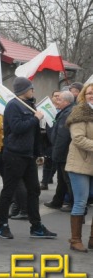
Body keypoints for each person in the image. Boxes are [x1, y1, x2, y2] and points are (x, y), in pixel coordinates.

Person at [0, 77, 57, 239]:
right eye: (31, 88)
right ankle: (2, 225)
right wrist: (35, 118)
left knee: (34, 190)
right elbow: (16, 128)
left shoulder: (30, 105)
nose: (33, 91)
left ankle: (36, 226)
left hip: (29, 156)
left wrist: (39, 153)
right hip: (14, 155)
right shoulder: (13, 106)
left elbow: (35, 134)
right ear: (24, 90)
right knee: (9, 191)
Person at [65, 83, 93, 252]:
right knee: (81, 201)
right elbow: (78, 139)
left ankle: (92, 239)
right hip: (79, 164)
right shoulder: (79, 112)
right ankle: (75, 240)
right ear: (84, 95)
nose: (92, 96)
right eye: (89, 93)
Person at [44, 91, 75, 211]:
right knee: (62, 179)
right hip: (63, 152)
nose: (57, 101)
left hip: (64, 153)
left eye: (60, 99)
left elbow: (63, 136)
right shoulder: (66, 111)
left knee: (67, 180)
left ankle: (73, 204)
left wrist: (57, 154)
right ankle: (57, 201)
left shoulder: (67, 113)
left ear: (66, 101)